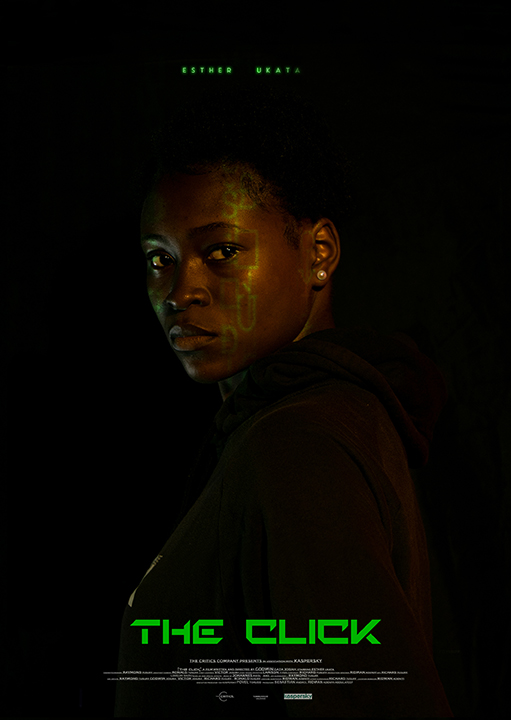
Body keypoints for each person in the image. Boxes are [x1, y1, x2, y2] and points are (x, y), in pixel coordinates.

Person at [115, 86, 453, 717]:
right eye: (159, 259)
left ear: (318, 253)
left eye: (221, 252)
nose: (180, 291)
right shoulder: (308, 424)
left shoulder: (298, 444)